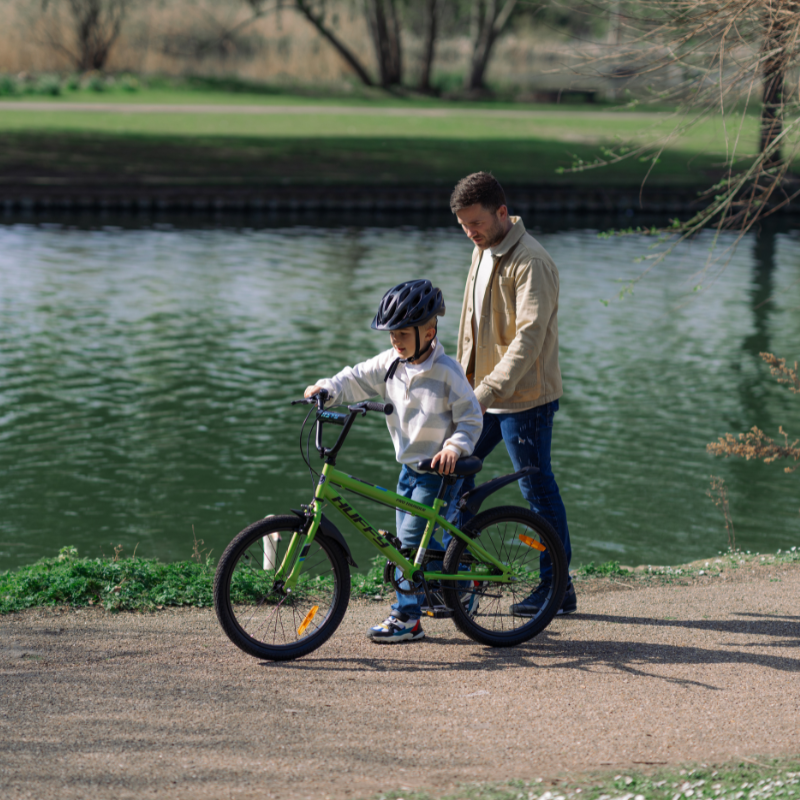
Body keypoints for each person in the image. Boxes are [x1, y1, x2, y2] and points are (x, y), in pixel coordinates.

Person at [305, 279, 483, 643]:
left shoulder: (448, 372)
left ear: (430, 331)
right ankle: (463, 590)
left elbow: (471, 418)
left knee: (405, 547)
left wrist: (455, 446)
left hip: (438, 471)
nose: (395, 341)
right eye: (391, 334)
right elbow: (354, 377)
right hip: (409, 470)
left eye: (402, 333)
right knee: (423, 548)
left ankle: (406, 617)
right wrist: (327, 388)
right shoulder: (391, 364)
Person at [448, 171, 576, 616]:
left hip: (524, 400)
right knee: (453, 476)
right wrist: (459, 387)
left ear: (502, 212)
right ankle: (458, 580)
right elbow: (470, 328)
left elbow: (529, 338)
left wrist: (484, 392)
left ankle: (557, 586)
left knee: (537, 493)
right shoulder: (481, 250)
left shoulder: (532, 262)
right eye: (463, 225)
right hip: (479, 395)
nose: (470, 232)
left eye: (476, 223)